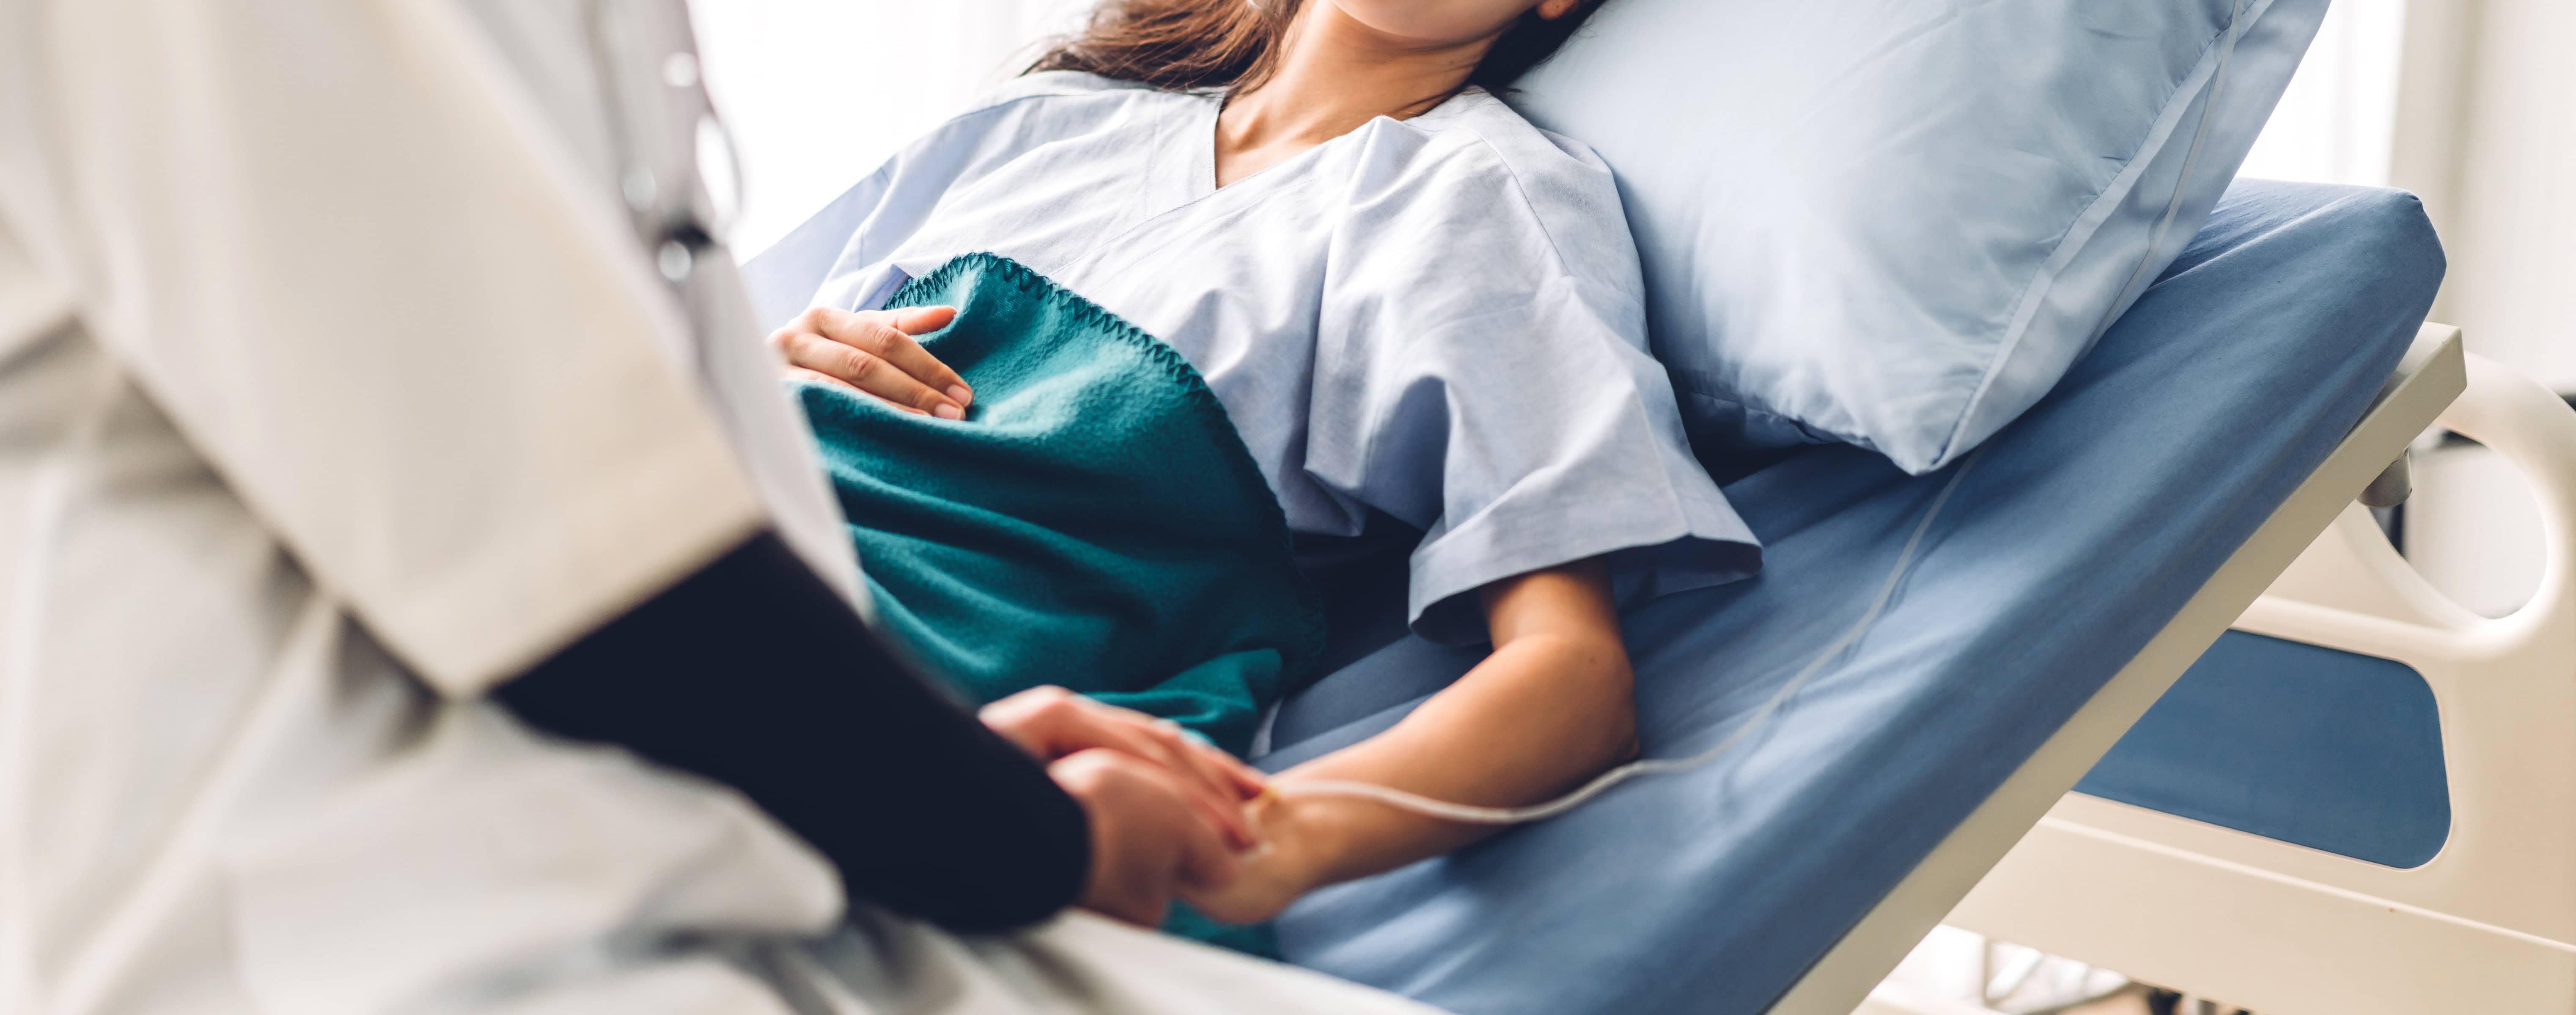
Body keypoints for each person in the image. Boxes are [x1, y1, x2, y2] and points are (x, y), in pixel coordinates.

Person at [0, 0, 1446, 1011]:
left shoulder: (1463, 203)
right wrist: (1038, 835)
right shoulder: (1048, 128)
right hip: (344, 902)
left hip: (649, 798)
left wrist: (943, 772)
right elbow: (586, 577)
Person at [771, 0, 1760, 924]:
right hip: (728, 532)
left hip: (912, 645)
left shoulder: (1472, 197)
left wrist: (1250, 837)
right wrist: (770, 366)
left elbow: (1575, 677)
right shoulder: (1047, 117)